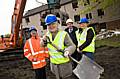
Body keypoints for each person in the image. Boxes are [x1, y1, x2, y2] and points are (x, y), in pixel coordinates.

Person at [43, 14, 76, 79]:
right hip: (54, 66)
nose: (51, 26)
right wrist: (43, 41)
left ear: (57, 23)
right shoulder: (47, 35)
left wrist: (68, 51)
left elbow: (72, 46)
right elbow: (42, 45)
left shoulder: (63, 34)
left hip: (64, 66)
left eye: (53, 24)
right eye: (49, 25)